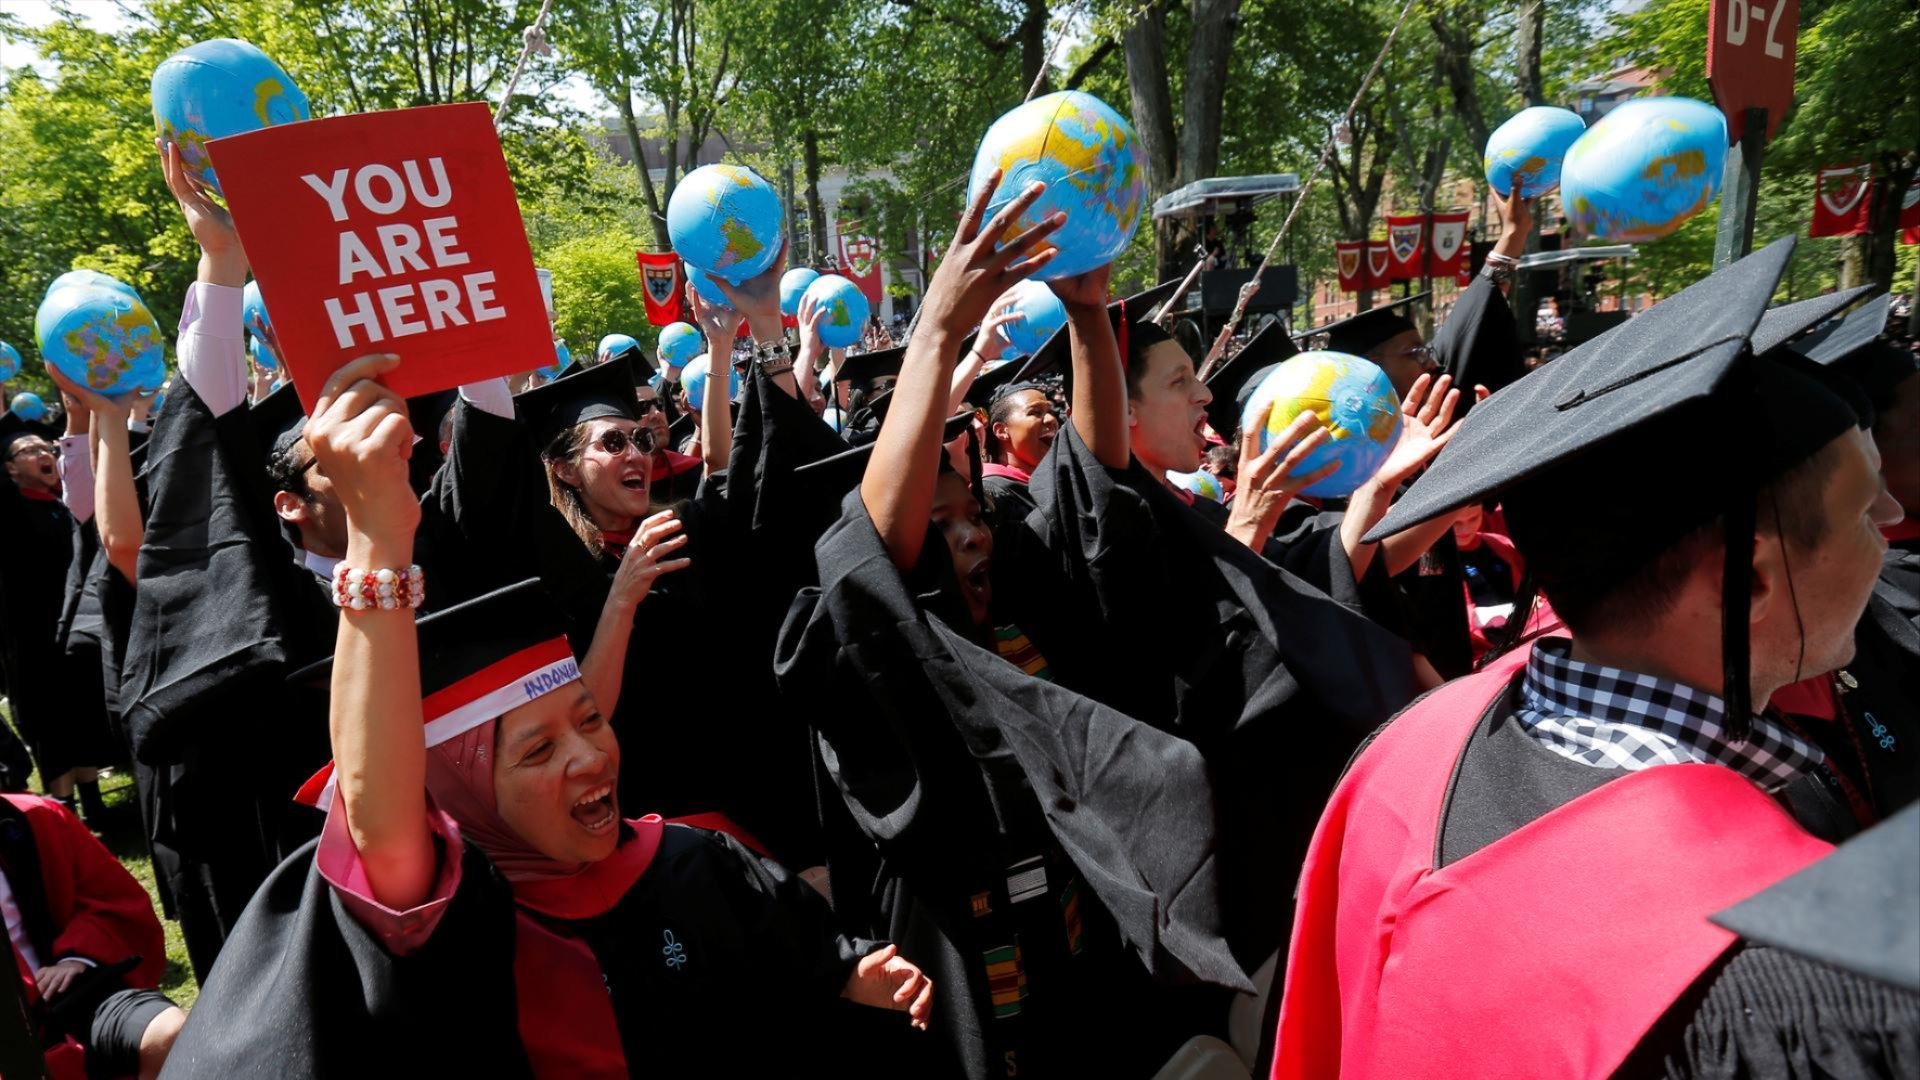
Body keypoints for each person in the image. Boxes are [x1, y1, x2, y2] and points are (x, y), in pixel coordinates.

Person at [161, 355, 933, 1075]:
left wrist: (859, 973)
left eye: (590, 722)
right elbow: (380, 813)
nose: (591, 758)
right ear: (455, 789)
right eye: (536, 751)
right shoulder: (455, 929)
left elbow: (808, 954)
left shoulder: (699, 858)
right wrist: (377, 545)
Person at [1270, 237, 1909, 1080]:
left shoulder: (1410, 747)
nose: (1894, 516)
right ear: (1754, 579)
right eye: (1865, 507)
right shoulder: (1786, 968)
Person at [1, 791, 184, 1080]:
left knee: (170, 1035)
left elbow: (112, 900)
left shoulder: (33, 817)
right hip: (9, 1033)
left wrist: (76, 955)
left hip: (72, 992)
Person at [0, 408, 117, 819]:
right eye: (27, 449)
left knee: (82, 711)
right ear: (11, 470)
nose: (41, 449)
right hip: (31, 636)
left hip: (71, 628)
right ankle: (63, 810)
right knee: (49, 721)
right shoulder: (11, 513)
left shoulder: (64, 505)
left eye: (41, 445)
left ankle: (94, 804)